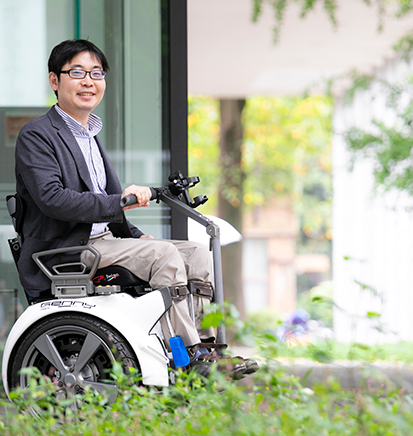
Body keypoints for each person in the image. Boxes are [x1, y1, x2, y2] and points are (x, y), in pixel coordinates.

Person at [14, 39, 255, 378]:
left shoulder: (89, 135)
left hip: (103, 244)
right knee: (163, 256)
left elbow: (107, 211)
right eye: (78, 72)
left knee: (197, 254)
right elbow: (53, 199)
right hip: (66, 249)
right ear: (55, 81)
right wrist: (120, 201)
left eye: (96, 73)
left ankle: (207, 345)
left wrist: (139, 236)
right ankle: (189, 356)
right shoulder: (37, 135)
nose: (89, 81)